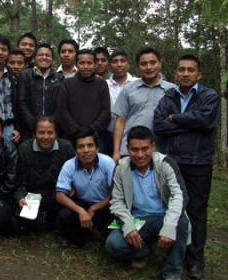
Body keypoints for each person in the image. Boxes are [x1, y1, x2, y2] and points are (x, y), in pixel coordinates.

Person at [153, 54, 220, 279]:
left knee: (196, 211)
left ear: (198, 74)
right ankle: (174, 254)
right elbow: (159, 126)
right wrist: (188, 122)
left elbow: (207, 121)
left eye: (191, 70)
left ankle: (195, 261)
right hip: (172, 162)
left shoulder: (209, 95)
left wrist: (175, 118)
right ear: (176, 73)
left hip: (198, 161)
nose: (185, 73)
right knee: (173, 208)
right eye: (181, 69)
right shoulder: (168, 96)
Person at [105, 126, 190, 280]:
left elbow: (179, 196)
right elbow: (116, 201)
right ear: (127, 148)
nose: (140, 155)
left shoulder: (166, 164)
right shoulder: (121, 167)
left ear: (153, 146)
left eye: (145, 149)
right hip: (138, 220)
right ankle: (145, 250)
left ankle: (172, 271)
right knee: (113, 245)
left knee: (181, 223)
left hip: (162, 217)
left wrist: (169, 226)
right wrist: (128, 227)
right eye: (134, 149)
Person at [112, 47, 175, 163]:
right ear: (138, 67)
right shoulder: (128, 89)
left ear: (160, 64)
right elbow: (120, 121)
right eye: (144, 64)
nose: (149, 67)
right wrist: (116, 151)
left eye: (152, 62)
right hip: (130, 150)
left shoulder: (172, 90)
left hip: (162, 150)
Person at [56, 128, 115, 247]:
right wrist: (81, 211)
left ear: (97, 148)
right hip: (82, 203)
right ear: (75, 151)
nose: (86, 150)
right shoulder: (69, 165)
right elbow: (60, 196)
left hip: (104, 206)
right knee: (65, 214)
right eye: (81, 147)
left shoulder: (107, 163)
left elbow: (115, 195)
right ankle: (82, 237)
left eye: (90, 145)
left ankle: (101, 233)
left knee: (115, 215)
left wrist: (94, 208)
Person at [14, 116, 75, 233]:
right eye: (41, 133)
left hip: (58, 194)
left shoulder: (66, 147)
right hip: (34, 195)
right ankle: (41, 219)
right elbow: (20, 179)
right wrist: (20, 197)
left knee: (67, 217)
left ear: (56, 133)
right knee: (25, 222)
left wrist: (73, 186)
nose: (46, 137)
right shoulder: (24, 149)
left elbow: (75, 174)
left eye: (50, 133)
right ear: (33, 134)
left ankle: (53, 220)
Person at [56, 49, 110, 151]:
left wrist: (91, 130)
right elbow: (62, 110)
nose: (86, 67)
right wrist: (76, 130)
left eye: (89, 63)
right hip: (71, 138)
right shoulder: (67, 83)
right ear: (76, 64)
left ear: (94, 64)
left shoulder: (101, 84)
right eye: (82, 63)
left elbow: (106, 111)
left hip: (95, 137)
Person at [18, 43, 64, 141]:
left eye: (48, 55)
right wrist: (35, 126)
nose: (44, 57)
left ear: (53, 60)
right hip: (28, 130)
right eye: (40, 55)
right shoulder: (25, 75)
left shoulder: (60, 78)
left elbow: (61, 105)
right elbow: (22, 102)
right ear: (34, 58)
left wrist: (50, 126)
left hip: (53, 130)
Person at [105, 49, 138, 156]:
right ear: (109, 66)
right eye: (115, 61)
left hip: (132, 135)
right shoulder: (103, 85)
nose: (119, 64)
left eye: (122, 61)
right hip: (108, 135)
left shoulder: (137, 83)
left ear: (128, 65)